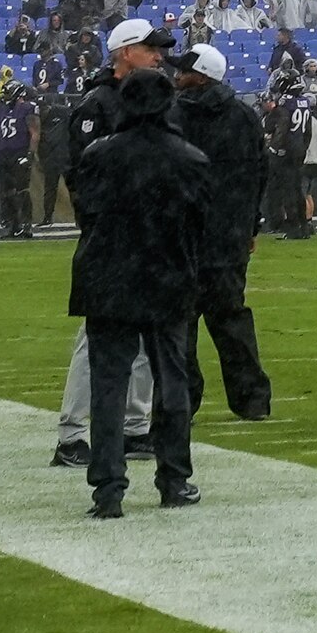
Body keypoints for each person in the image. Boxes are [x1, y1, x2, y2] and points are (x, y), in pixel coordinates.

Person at [66, 57, 207, 518]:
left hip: (108, 277)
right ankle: (174, 479)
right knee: (172, 383)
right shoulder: (190, 158)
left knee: (108, 386)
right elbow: (200, 225)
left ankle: (108, 489)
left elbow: (86, 214)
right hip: (167, 277)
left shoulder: (97, 154)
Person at [171, 38, 273, 425]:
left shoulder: (173, 114)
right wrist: (251, 225)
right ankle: (252, 400)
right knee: (231, 319)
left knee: (180, 325)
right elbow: (259, 174)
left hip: (184, 235)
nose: (177, 76)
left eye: (185, 71)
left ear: (201, 77)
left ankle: (182, 402)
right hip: (229, 236)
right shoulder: (244, 116)